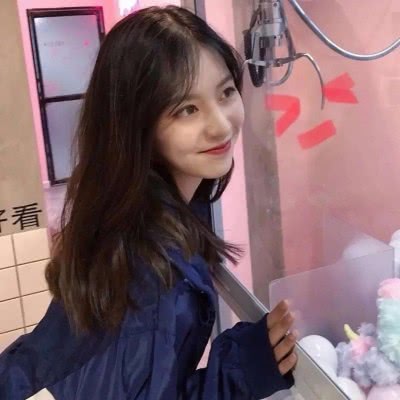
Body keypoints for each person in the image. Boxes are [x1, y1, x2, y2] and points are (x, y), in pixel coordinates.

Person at [0, 5, 297, 399]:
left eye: (226, 92)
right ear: (137, 125)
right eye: (187, 109)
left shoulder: (126, 210)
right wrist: (242, 369)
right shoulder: (149, 272)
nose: (221, 124)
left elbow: (46, 354)